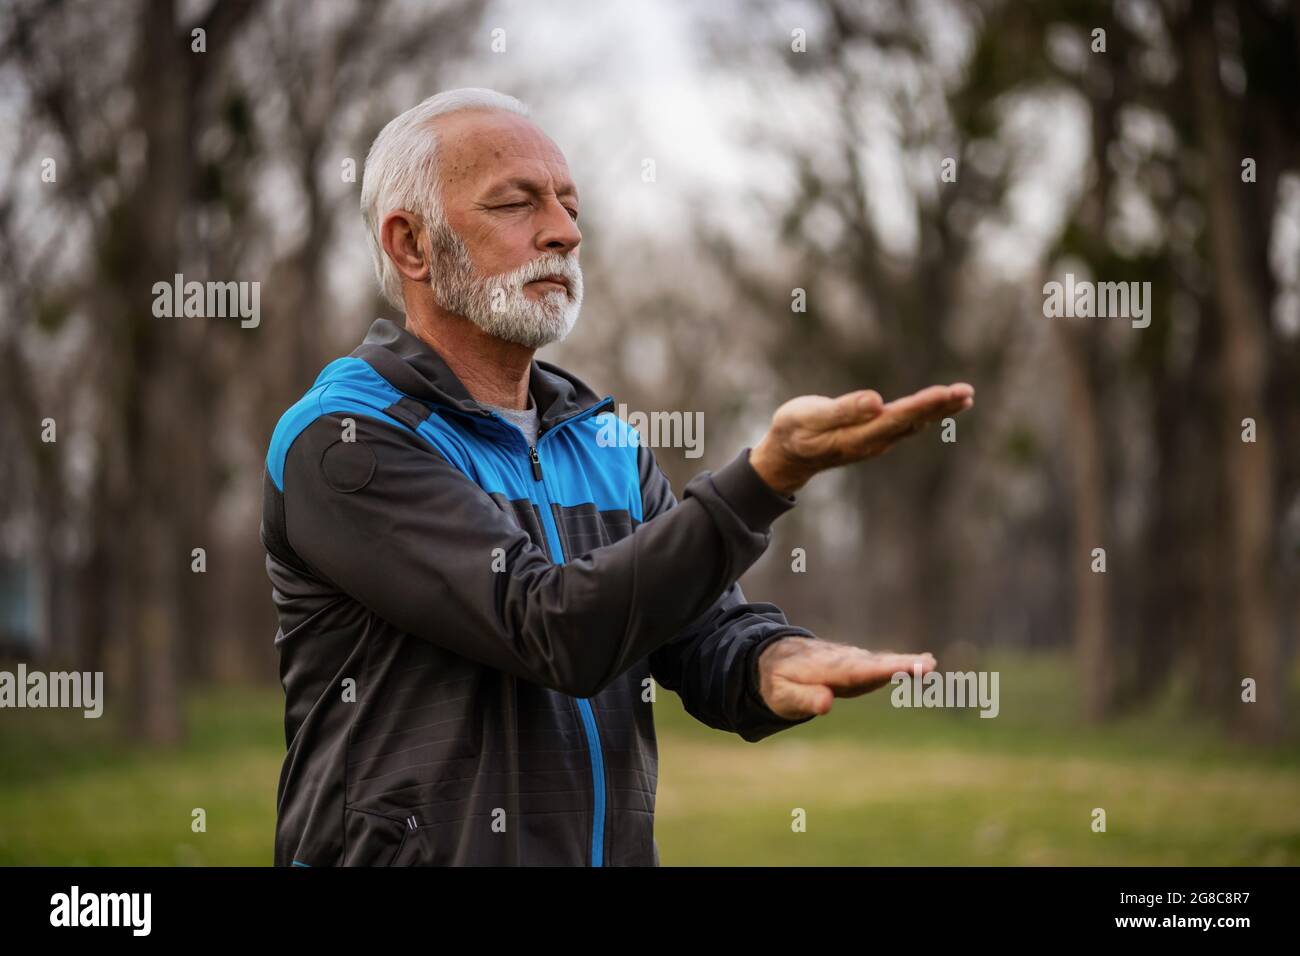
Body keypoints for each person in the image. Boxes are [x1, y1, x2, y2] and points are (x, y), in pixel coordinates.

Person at [262, 88, 974, 866]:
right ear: (412, 245)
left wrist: (766, 659)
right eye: (516, 204)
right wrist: (765, 478)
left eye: (569, 204)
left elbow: (694, 631)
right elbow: (552, 626)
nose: (564, 233)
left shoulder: (604, 440)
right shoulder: (345, 440)